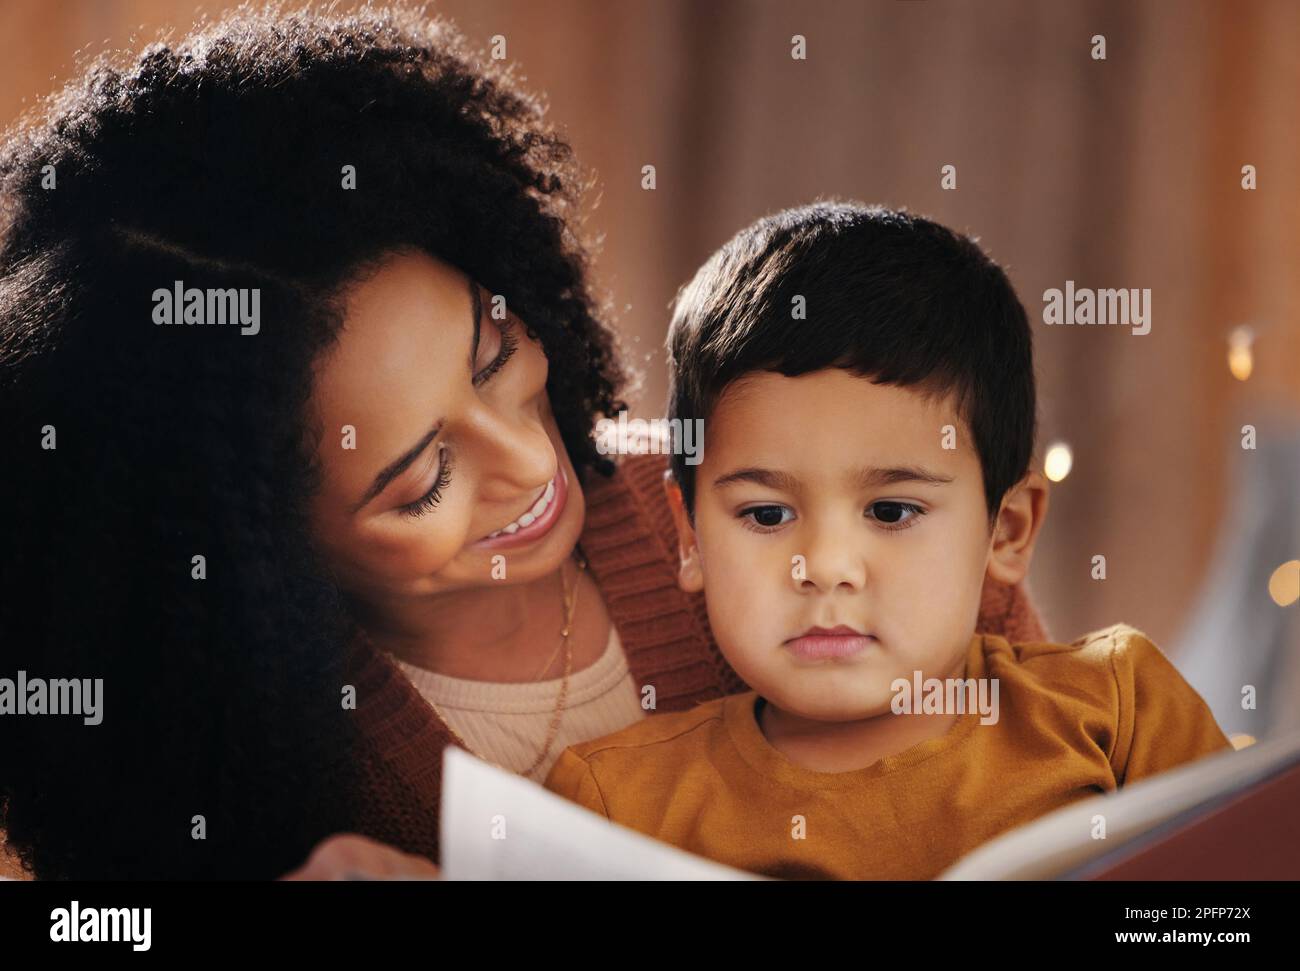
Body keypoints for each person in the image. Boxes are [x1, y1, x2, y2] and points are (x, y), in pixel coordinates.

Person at [0, 8, 1043, 880]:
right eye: (425, 478)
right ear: (253, 545)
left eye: (494, 352)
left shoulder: (814, 506)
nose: (531, 461)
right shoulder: (232, 757)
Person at [542, 202, 1233, 879]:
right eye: (767, 515)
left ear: (1008, 527)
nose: (827, 568)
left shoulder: (1120, 712)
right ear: (690, 535)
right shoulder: (613, 805)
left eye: (893, 510)